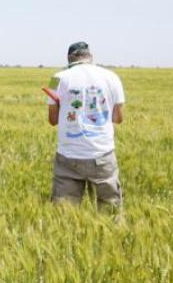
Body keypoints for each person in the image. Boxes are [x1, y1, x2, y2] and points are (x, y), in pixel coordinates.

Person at [46, 41, 125, 210]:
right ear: (90, 57)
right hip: (102, 153)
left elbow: (53, 119)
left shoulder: (56, 79)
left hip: (68, 156)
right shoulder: (112, 77)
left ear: (69, 59)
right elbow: (118, 118)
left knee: (63, 215)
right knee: (110, 211)